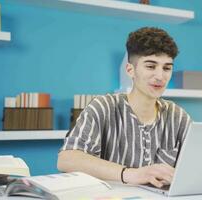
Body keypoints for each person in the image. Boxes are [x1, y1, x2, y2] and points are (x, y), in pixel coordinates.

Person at [57, 27, 192, 188]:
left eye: (167, 68)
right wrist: (132, 174)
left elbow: (199, 165)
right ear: (130, 70)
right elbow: (66, 159)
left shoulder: (178, 116)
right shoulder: (103, 107)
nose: (160, 76)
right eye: (150, 66)